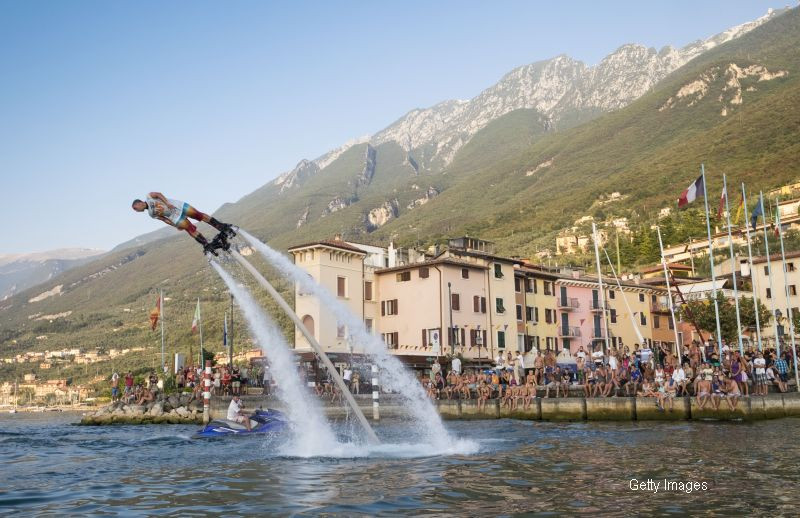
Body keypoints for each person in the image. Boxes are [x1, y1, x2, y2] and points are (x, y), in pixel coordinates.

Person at [131, 192, 235, 254]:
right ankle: (206, 244)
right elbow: (163, 219)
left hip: (178, 206)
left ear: (139, 203)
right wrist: (174, 224)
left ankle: (221, 227)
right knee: (189, 229)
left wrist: (167, 203)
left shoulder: (149, 196)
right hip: (174, 217)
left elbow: (158, 194)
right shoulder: (151, 214)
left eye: (136, 209)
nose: (137, 211)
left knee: (198, 215)